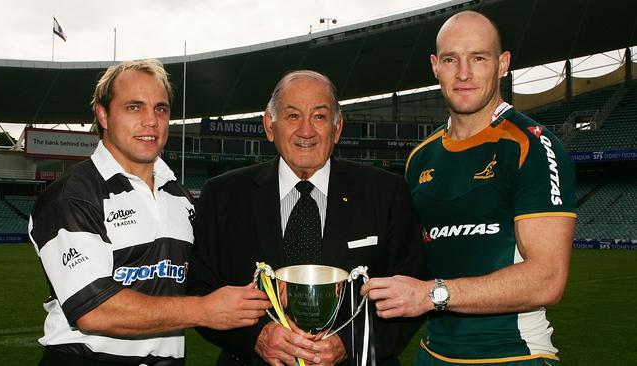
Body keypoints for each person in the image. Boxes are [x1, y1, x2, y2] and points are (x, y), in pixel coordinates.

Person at [361, 10, 577, 366]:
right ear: (435, 66)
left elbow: (547, 279)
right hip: (432, 355)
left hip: (514, 356)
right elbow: (407, 259)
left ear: (502, 63)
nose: (463, 73)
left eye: (478, 57)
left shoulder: (532, 147)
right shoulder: (419, 158)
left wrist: (432, 294)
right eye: (451, 59)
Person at [28, 59, 270, 366]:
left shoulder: (179, 197)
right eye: (134, 107)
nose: (151, 121)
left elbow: (204, 279)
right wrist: (205, 310)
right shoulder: (71, 196)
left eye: (161, 109)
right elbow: (93, 309)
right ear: (103, 115)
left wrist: (268, 290)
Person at [188, 70, 425, 366]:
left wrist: (349, 343)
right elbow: (200, 291)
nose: (306, 131)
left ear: (337, 128)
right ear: (269, 125)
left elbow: (414, 288)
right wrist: (257, 339)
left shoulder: (386, 191)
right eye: (292, 116)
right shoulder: (223, 195)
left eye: (320, 117)